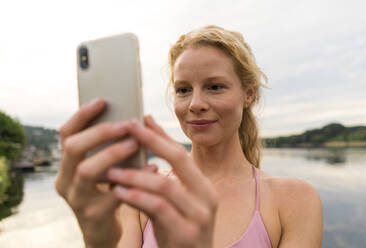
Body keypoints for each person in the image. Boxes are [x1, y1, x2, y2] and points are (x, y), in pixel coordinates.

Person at [55, 25, 323, 248]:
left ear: (248, 95)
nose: (195, 103)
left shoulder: (294, 200)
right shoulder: (142, 196)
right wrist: (96, 239)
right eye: (183, 90)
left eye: (215, 86)